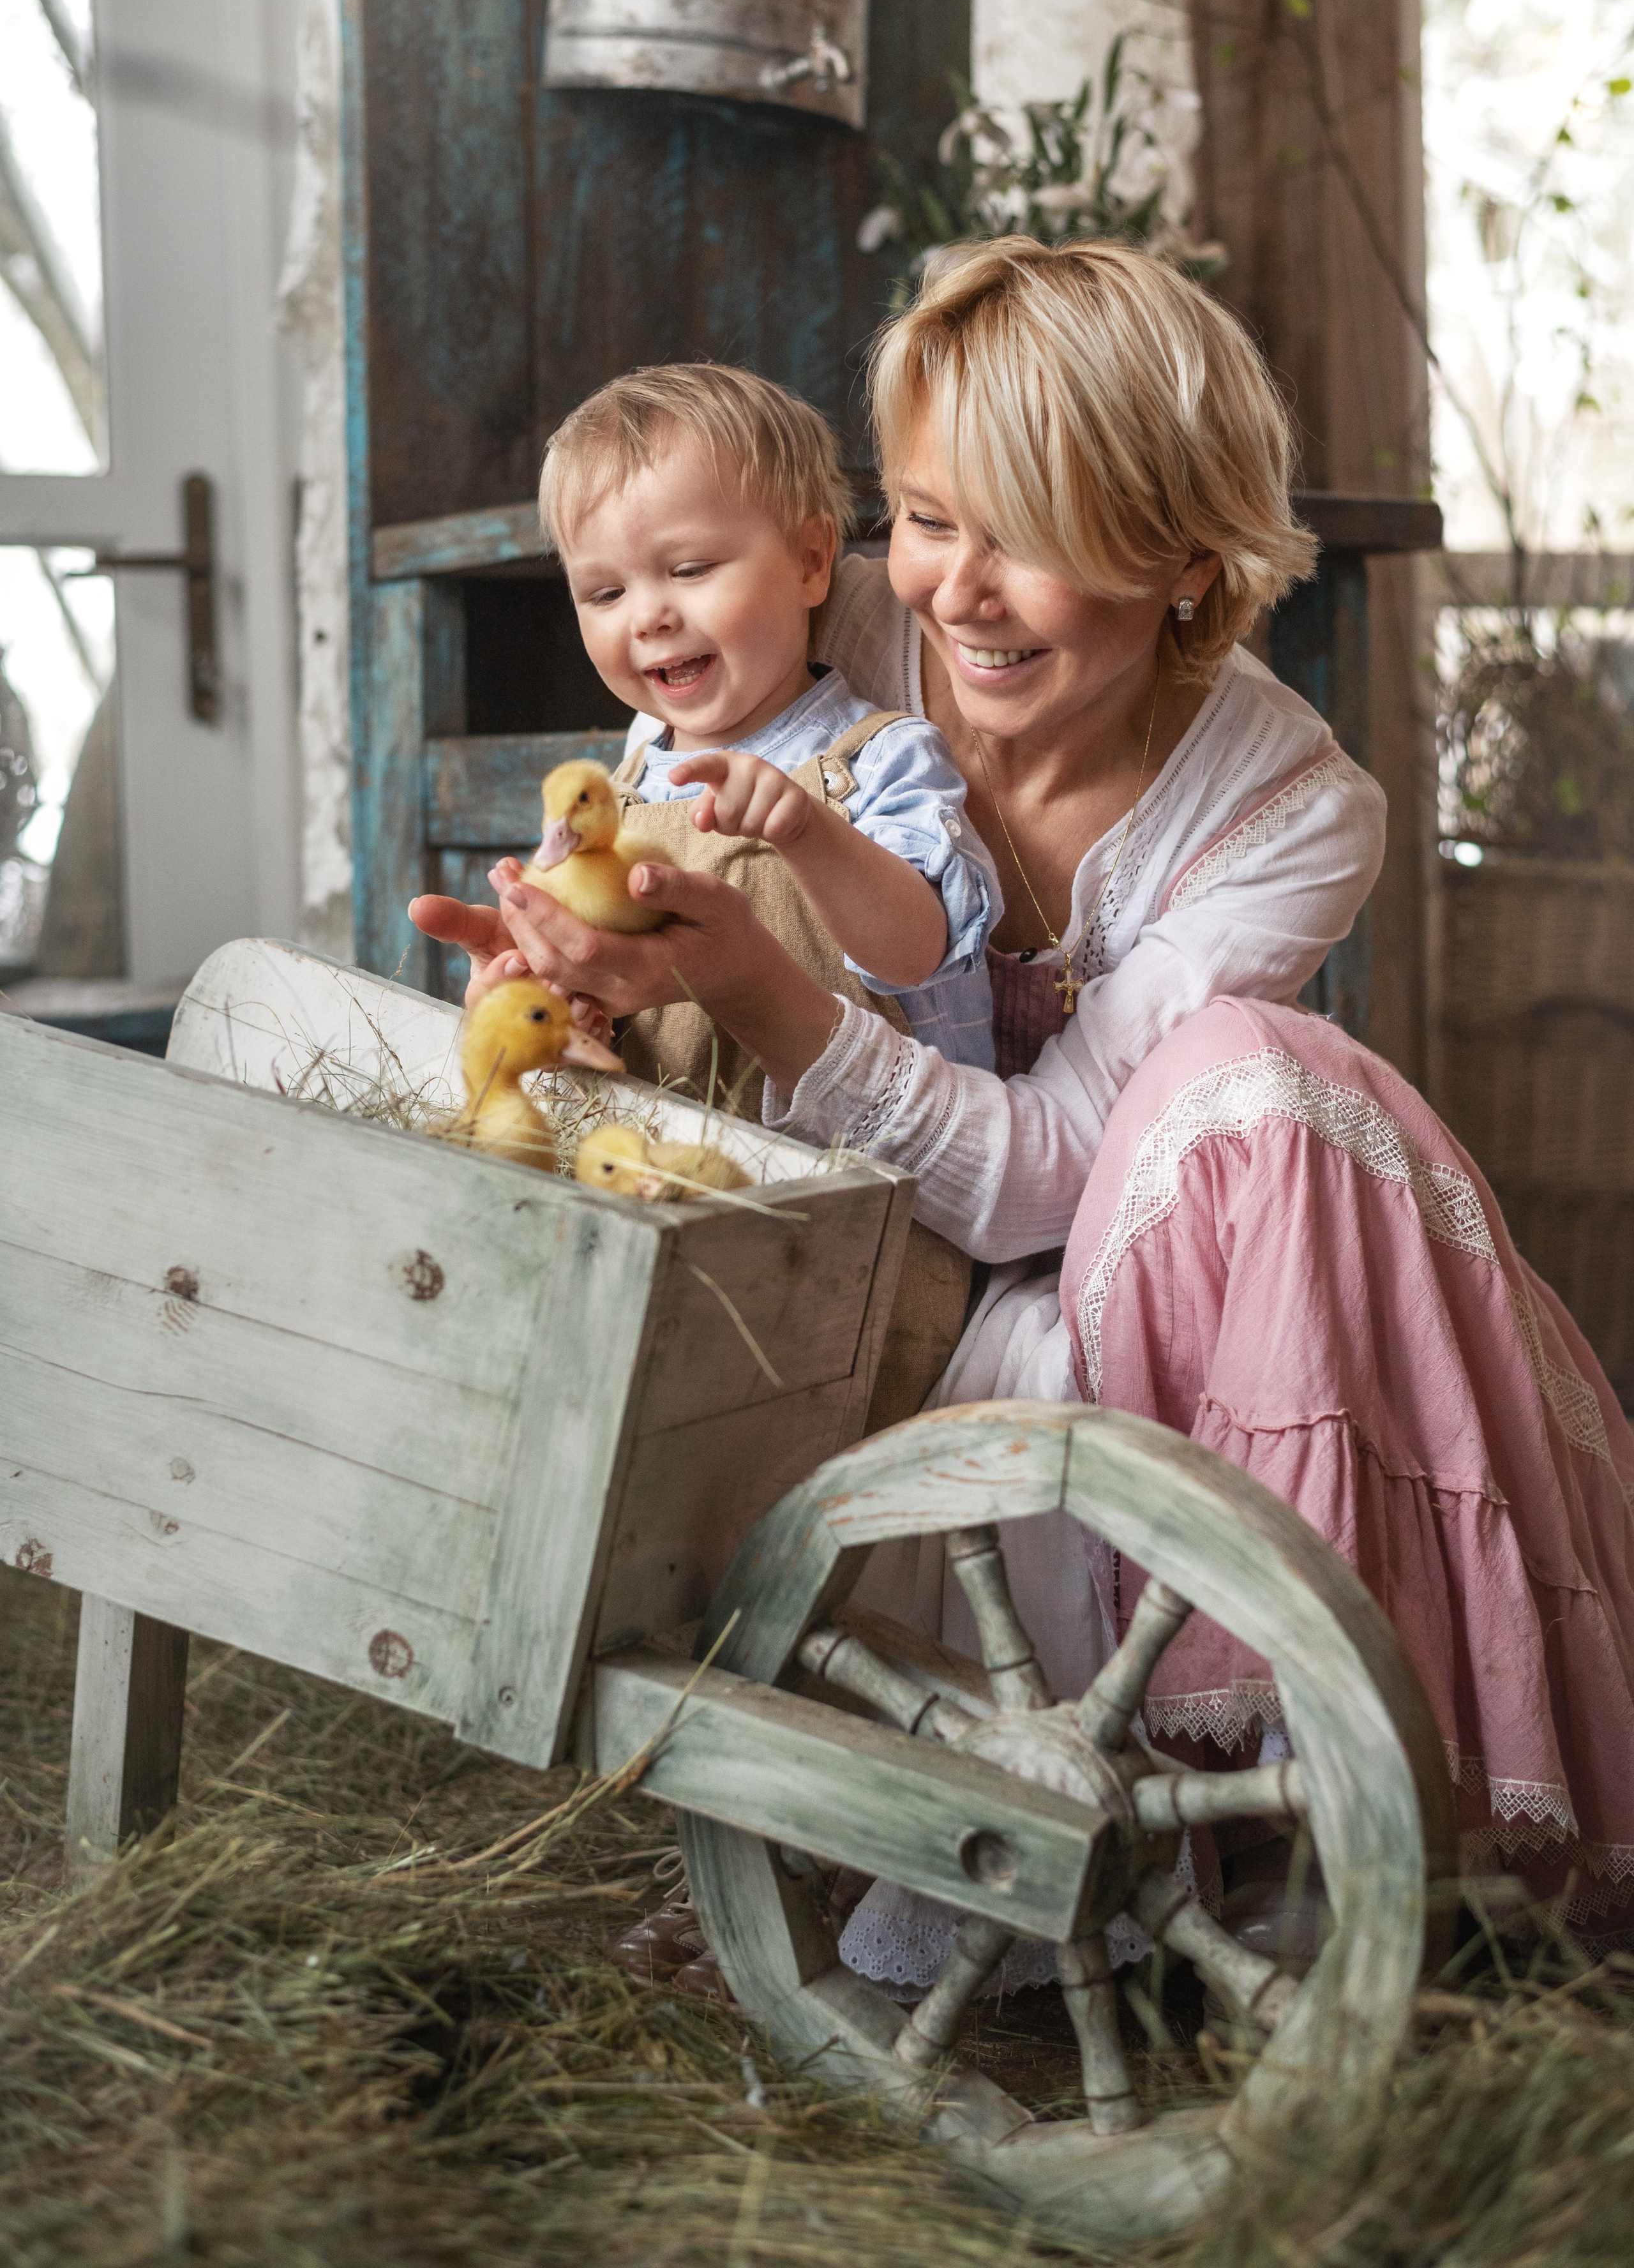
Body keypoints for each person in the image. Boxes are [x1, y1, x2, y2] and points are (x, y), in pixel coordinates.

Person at [412, 237, 1634, 1964]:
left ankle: (1259, 1768)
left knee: (1253, 1088)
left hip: (1092, 1252)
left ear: (1185, 559)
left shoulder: (1286, 807)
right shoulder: (827, 610)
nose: (955, 593)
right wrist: (570, 964)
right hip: (803, 1221)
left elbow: (1047, 1180)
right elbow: (652, 761)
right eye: (925, 515)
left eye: (1031, 538)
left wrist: (749, 980)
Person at [504, 361, 1000, 1096]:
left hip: (858, 1179)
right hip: (676, 1177)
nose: (648, 617)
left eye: (692, 569)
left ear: (810, 560)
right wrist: (566, 999)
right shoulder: (625, 787)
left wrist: (805, 830)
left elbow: (915, 952)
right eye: (606, 592)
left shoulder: (880, 760)